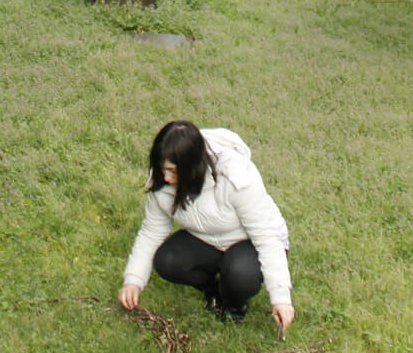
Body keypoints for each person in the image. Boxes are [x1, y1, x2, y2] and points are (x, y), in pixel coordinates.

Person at [118, 121, 295, 334]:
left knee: (240, 274)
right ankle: (212, 289)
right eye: (162, 168)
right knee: (167, 260)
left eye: (173, 171)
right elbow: (151, 232)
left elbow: (266, 237)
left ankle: (234, 304)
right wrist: (133, 281)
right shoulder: (163, 181)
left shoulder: (236, 178)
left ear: (192, 166)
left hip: (247, 241)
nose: (166, 177)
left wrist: (281, 298)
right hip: (206, 239)